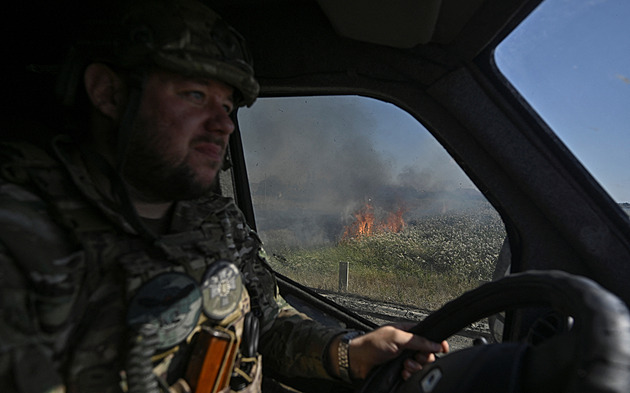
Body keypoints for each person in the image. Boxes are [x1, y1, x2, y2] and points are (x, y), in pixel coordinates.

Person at [0, 0, 448, 392]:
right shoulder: (20, 234)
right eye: (195, 94)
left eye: (227, 106)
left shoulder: (215, 220)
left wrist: (351, 352)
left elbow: (264, 329)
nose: (223, 125)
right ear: (109, 93)